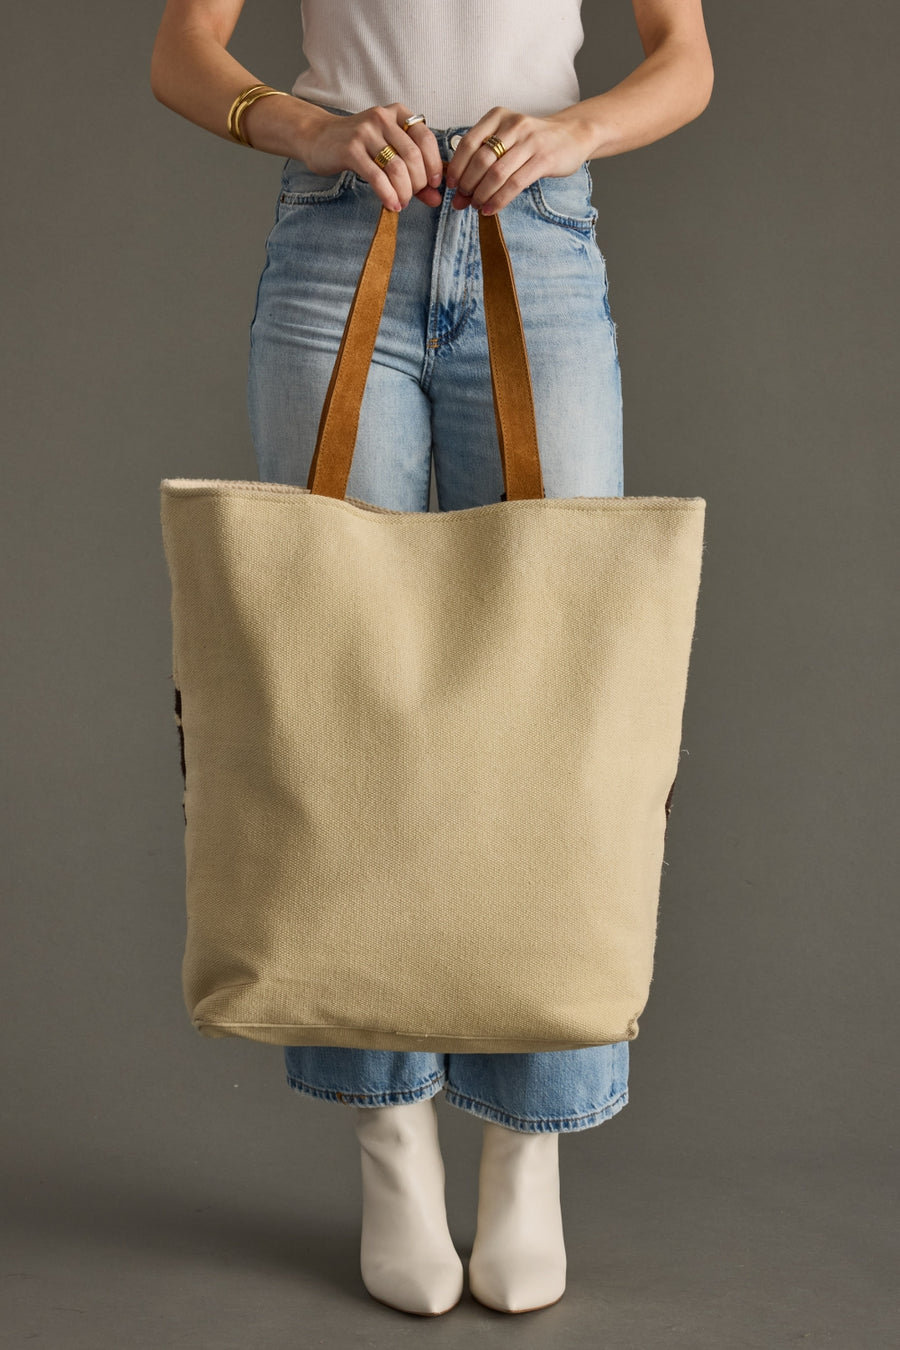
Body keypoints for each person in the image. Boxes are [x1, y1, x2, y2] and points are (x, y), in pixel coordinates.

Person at [151, 0, 714, 1319]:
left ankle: (531, 1150)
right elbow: (184, 46)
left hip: (542, 229)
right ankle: (387, 1136)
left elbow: (684, 58)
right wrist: (311, 125)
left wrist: (571, 129)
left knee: (557, 698)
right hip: (337, 229)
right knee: (338, 691)